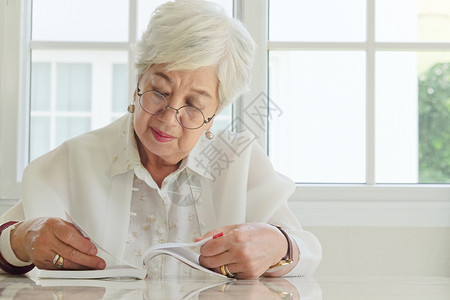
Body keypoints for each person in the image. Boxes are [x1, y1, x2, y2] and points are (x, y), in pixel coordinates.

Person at [0, 0, 321, 279]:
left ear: (216, 111)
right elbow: (8, 242)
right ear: (138, 79)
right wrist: (19, 241)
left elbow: (307, 250)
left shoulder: (239, 159)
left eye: (194, 105)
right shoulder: (75, 159)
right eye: (159, 92)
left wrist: (280, 246)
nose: (169, 118)